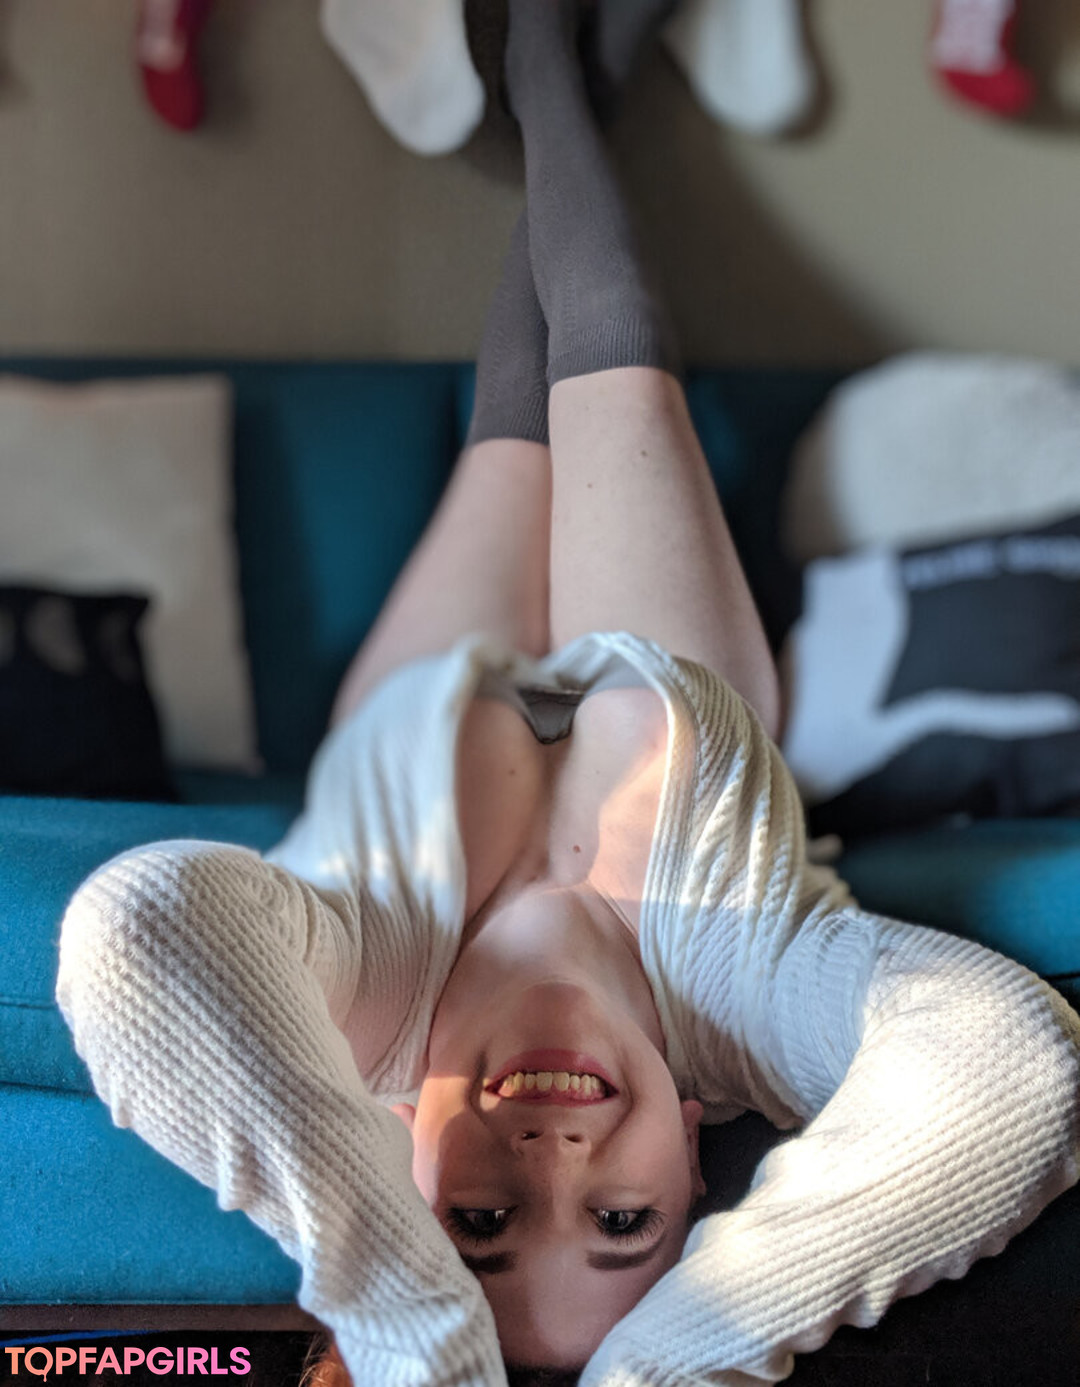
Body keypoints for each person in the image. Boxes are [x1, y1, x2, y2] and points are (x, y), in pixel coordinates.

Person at [57, 3, 1080, 1384]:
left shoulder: (362, 1014)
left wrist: (407, 1327)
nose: (553, 1158)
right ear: (701, 1162)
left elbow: (135, 932)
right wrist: (674, 1366)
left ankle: (559, 58)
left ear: (400, 1168)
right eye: (622, 1223)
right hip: (664, 689)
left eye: (477, 1226)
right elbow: (1013, 1072)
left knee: (511, 436)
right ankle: (557, 56)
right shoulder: (741, 1006)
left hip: (422, 709)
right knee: (609, 349)